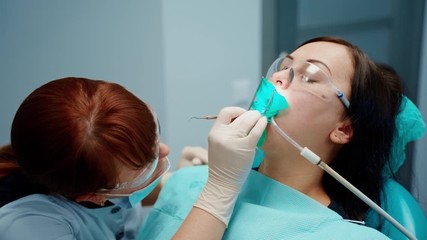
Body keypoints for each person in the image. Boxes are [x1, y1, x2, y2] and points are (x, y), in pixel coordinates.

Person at [137, 36, 427, 239]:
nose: (279, 78)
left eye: (310, 76)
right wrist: (153, 180)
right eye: (284, 66)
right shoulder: (197, 180)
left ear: (344, 129)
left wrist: (217, 189)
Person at [0, 77, 267, 239]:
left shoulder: (94, 172)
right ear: (91, 195)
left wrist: (176, 184)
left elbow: (122, 201)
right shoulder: (25, 227)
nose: (164, 151)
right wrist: (220, 189)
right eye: (144, 166)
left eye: (155, 133)